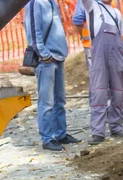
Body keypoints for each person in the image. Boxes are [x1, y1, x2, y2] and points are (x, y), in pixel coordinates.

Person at [24, 0, 81, 151]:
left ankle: (60, 134)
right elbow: (33, 34)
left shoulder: (52, 2)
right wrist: (44, 54)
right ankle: (47, 139)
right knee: (46, 102)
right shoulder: (35, 3)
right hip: (46, 60)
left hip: (58, 57)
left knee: (59, 100)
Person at [80, 0, 123, 145]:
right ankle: (98, 133)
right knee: (99, 92)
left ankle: (116, 127)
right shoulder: (92, 7)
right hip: (99, 56)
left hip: (117, 56)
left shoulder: (116, 12)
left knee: (118, 92)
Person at [72, 0, 118, 72]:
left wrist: (82, 35)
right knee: (112, 74)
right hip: (112, 44)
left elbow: (78, 20)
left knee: (97, 77)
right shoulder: (113, 2)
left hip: (92, 45)